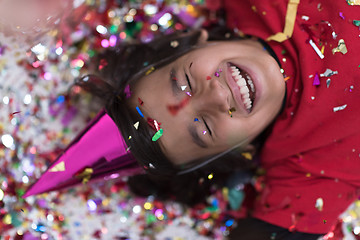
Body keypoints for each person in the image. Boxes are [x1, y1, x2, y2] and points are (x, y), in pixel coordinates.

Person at [75, 0, 360, 239]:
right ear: (241, 151)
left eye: (184, 82)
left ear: (197, 42)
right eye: (205, 128)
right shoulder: (306, 166)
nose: (215, 97)